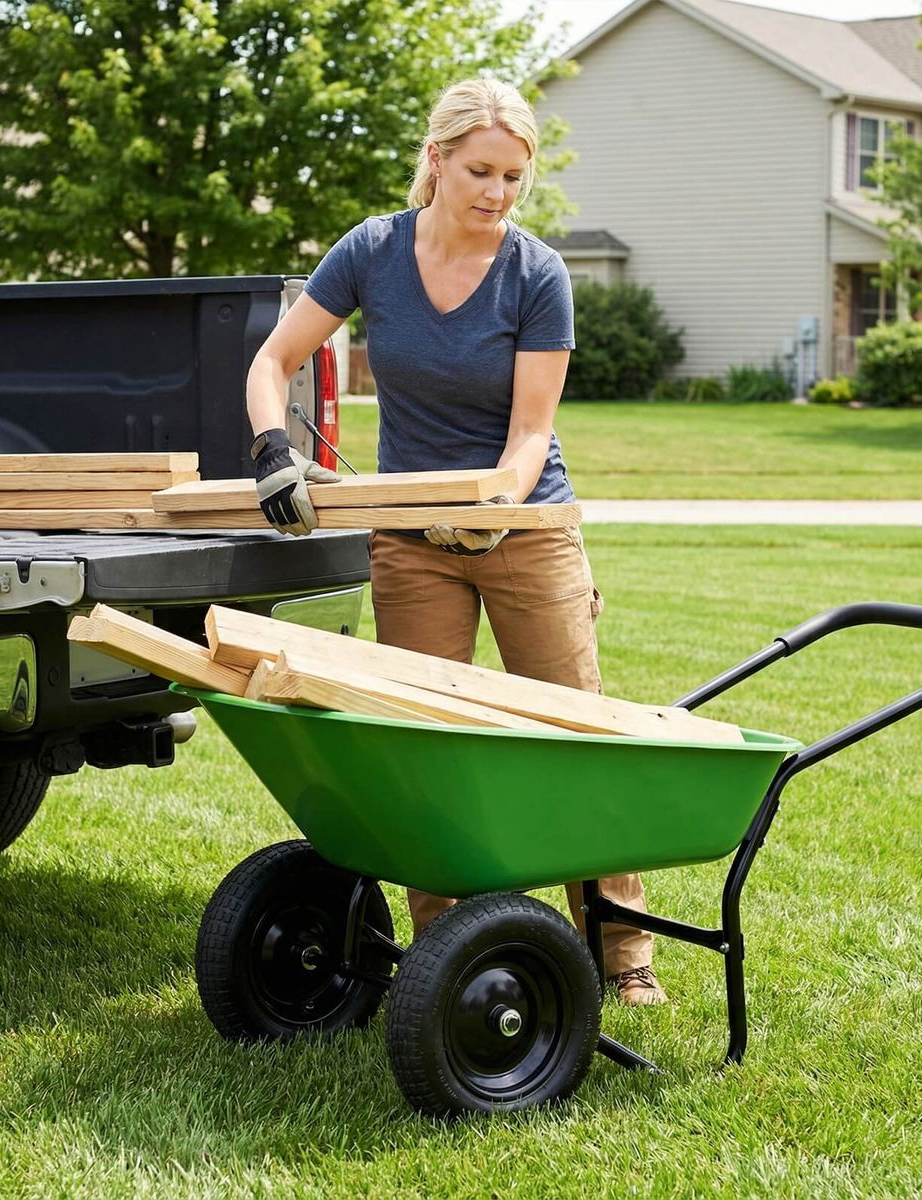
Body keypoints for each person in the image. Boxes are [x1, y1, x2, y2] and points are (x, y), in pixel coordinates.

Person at [244, 78, 666, 1005]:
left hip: (525, 529)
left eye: (514, 176)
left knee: (575, 733)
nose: (498, 193)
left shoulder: (537, 274)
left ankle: (620, 947)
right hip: (411, 538)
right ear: (436, 160)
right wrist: (273, 448)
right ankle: (446, 950)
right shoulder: (372, 251)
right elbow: (273, 360)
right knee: (425, 742)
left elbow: (529, 435)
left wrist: (492, 504)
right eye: (481, 171)